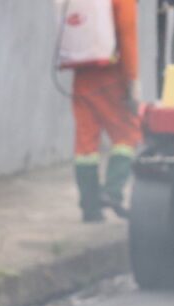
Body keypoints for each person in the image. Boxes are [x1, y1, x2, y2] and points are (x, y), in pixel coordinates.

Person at [57, 0, 140, 221]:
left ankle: (90, 208)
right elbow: (128, 38)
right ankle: (112, 192)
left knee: (86, 144)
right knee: (127, 135)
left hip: (82, 77)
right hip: (111, 77)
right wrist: (132, 80)